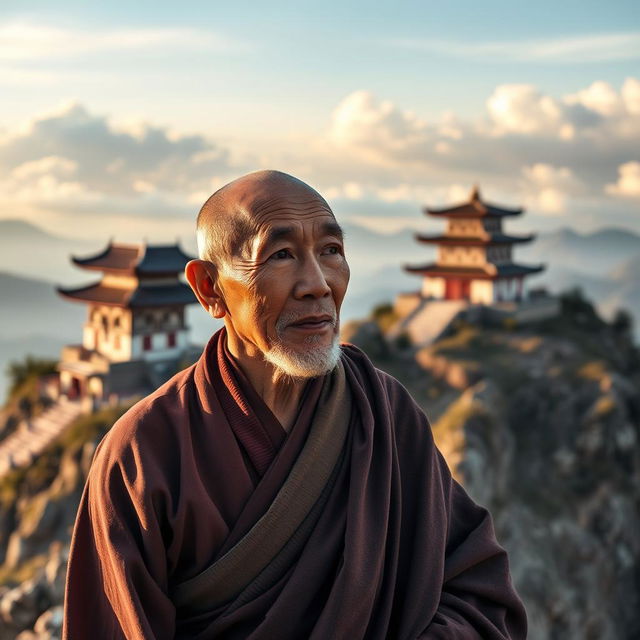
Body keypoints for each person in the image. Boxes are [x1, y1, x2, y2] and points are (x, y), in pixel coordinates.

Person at [63, 170, 527, 639]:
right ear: (209, 289)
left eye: (331, 251)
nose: (318, 284)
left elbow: (476, 586)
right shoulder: (143, 455)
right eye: (281, 255)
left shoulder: (384, 410)